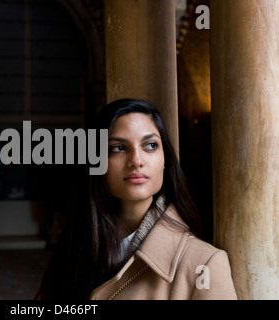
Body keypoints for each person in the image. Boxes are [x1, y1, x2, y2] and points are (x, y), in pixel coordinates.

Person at [36, 98, 237, 300]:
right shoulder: (76, 247)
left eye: (150, 145)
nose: (136, 161)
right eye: (118, 148)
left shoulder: (204, 262)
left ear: (165, 159)